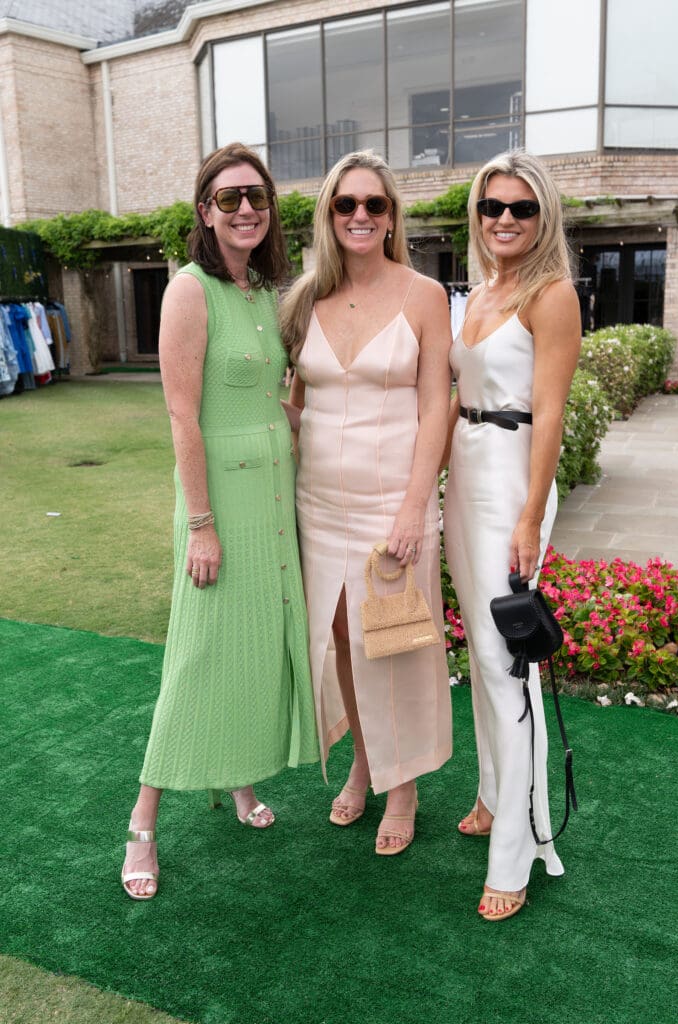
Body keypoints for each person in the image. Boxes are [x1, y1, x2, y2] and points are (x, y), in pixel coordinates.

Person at [121, 142, 319, 900]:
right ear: (205, 210)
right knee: (200, 656)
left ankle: (237, 780)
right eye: (230, 197)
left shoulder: (265, 293)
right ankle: (143, 819)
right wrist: (200, 523)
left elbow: (276, 392)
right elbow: (181, 412)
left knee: (257, 652)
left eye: (257, 198)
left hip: (274, 495)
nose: (245, 209)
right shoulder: (188, 289)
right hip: (221, 506)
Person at [280, 151, 452, 856]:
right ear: (328, 214)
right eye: (345, 204)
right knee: (343, 641)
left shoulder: (422, 295)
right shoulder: (302, 299)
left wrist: (414, 506)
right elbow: (295, 402)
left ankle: (403, 783)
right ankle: (361, 761)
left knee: (396, 647)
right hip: (318, 504)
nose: (359, 216)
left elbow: (436, 406)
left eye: (372, 205)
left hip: (392, 505)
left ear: (390, 218)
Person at [442, 150, 581, 920]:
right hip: (464, 474)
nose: (503, 218)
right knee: (482, 651)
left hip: (510, 483)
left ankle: (514, 857)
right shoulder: (475, 293)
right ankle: (494, 794)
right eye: (492, 205)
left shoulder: (551, 293)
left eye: (520, 208)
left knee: (506, 665)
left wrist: (529, 516)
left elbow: (551, 413)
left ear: (542, 217)